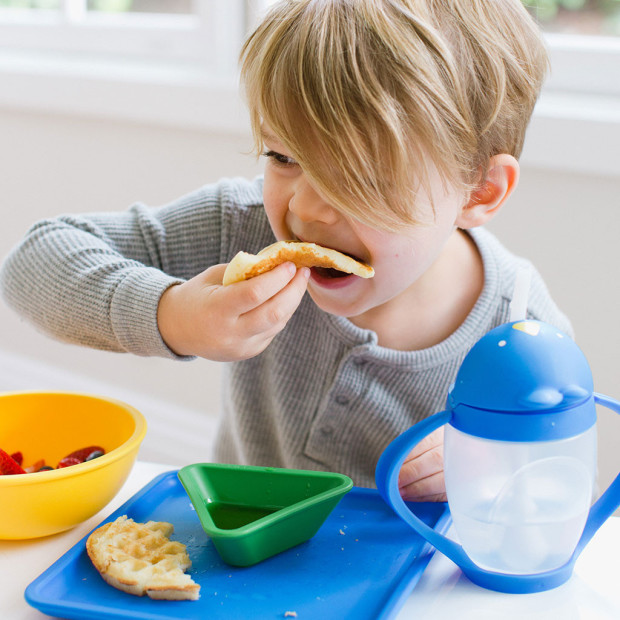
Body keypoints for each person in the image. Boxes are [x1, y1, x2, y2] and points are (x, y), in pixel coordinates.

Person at [0, 0, 571, 501]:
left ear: (480, 189)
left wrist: (495, 468)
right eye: (283, 157)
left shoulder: (523, 334)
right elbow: (34, 262)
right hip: (237, 565)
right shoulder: (244, 227)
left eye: (360, 174)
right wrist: (169, 314)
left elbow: (560, 492)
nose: (307, 208)